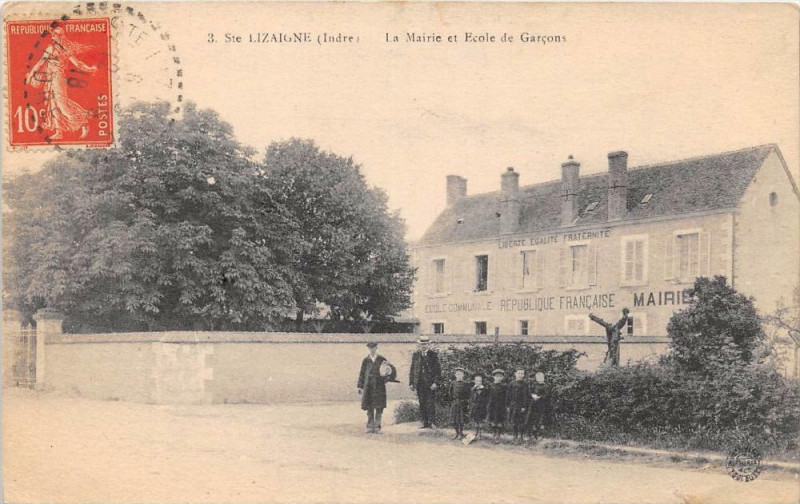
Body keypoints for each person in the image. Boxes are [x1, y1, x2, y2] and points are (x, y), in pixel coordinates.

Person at [24, 27, 97, 140]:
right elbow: (40, 63)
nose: (54, 38)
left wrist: (90, 69)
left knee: (62, 104)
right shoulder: (50, 48)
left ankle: (83, 122)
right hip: (49, 78)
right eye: (53, 36)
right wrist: (30, 74)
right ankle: (59, 131)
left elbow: (77, 64)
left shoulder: (66, 49)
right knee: (52, 103)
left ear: (61, 37)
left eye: (57, 36)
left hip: (58, 78)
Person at [357, 342, 396, 434]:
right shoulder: (366, 360)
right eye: (370, 348)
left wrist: (387, 379)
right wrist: (360, 386)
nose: (372, 349)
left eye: (373, 347)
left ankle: (377, 427)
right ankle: (370, 427)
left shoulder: (381, 359)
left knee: (379, 407)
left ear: (376, 348)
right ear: (368, 349)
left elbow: (389, 370)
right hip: (368, 386)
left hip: (379, 386)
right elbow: (362, 373)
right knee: (369, 407)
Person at [409, 335, 441, 428]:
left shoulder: (433, 355)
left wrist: (435, 382)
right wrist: (411, 383)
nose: (424, 346)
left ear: (428, 345)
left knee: (430, 403)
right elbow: (412, 369)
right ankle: (425, 423)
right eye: (422, 344)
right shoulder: (416, 355)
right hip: (419, 383)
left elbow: (438, 371)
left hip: (430, 384)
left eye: (426, 344)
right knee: (422, 403)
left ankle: (433, 422)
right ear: (420, 345)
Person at [525, 371, 552, 442]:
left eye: (541, 377)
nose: (539, 379)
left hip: (542, 406)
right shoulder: (534, 385)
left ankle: (541, 435)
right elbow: (530, 392)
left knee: (541, 421)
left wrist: (539, 397)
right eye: (538, 377)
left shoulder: (546, 386)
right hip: (534, 405)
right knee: (533, 420)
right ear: (536, 378)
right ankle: (533, 435)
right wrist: (532, 395)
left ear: (543, 378)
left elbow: (547, 395)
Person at [506, 367, 530, 442]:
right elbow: (508, 395)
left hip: (521, 406)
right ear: (515, 374)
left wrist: (524, 406)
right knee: (514, 421)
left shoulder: (525, 384)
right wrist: (507, 405)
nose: (520, 375)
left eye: (522, 373)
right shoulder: (511, 384)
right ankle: (515, 436)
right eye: (519, 373)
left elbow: (526, 396)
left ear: (523, 375)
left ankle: (521, 436)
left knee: (521, 421)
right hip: (513, 405)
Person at [448, 367, 471, 440]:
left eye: (461, 374)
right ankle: (456, 433)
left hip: (462, 403)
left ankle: (461, 433)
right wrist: (452, 401)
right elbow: (450, 393)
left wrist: (466, 402)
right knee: (454, 419)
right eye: (458, 374)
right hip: (455, 403)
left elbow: (468, 394)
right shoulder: (453, 383)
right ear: (455, 375)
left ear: (463, 375)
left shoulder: (466, 384)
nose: (459, 375)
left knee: (461, 420)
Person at [485, 369, 508, 443]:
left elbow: (506, 397)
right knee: (492, 420)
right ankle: (493, 433)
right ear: (493, 377)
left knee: (499, 421)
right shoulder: (490, 386)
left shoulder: (504, 387)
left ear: (502, 378)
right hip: (492, 405)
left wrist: (506, 406)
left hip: (500, 406)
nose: (498, 378)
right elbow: (487, 396)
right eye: (497, 376)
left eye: (500, 376)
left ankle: (498, 435)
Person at [468, 372, 489, 440]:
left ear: (482, 381)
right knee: (475, 420)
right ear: (474, 381)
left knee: (481, 421)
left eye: (480, 381)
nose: (478, 382)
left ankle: (480, 434)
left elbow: (487, 399)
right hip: (474, 407)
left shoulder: (485, 389)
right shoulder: (472, 389)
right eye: (476, 381)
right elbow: (471, 398)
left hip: (481, 407)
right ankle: (475, 433)